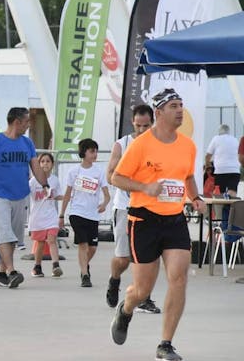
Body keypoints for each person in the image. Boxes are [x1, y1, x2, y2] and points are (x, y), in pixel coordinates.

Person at [110, 89, 205, 361]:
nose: (179, 110)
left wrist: (195, 197)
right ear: (159, 112)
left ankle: (165, 344)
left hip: (174, 220)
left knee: (179, 278)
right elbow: (117, 178)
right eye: (174, 106)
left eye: (181, 105)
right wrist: (145, 187)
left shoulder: (187, 145)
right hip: (143, 220)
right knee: (142, 290)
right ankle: (126, 309)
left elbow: (187, 177)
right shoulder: (140, 145)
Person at [0, 107, 50, 288]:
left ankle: (1, 273)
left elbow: (35, 166)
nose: (28, 125)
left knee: (13, 237)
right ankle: (12, 271)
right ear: (17, 122)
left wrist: (46, 185)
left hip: (21, 195)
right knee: (3, 234)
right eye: (26, 122)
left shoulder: (27, 143)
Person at [105, 104, 160, 312]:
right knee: (123, 259)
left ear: (152, 123)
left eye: (146, 126)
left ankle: (144, 298)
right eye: (138, 126)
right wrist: (134, 182)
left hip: (149, 209)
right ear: (132, 123)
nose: (141, 130)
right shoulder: (122, 144)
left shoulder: (158, 144)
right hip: (124, 207)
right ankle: (114, 279)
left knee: (147, 256)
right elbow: (110, 175)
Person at [58, 139, 110, 287]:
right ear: (84, 152)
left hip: (93, 215)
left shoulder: (99, 172)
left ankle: (84, 266)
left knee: (92, 247)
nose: (95, 154)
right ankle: (85, 275)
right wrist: (62, 214)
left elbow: (107, 195)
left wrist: (104, 204)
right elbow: (67, 194)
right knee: (83, 244)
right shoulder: (74, 172)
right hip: (77, 213)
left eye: (96, 151)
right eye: (91, 151)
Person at [28, 152, 62, 277]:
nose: (45, 164)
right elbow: (26, 193)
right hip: (38, 216)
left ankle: (55, 265)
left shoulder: (54, 180)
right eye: (42, 161)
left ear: (52, 164)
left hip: (51, 215)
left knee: (52, 239)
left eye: (48, 161)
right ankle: (37, 266)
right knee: (40, 242)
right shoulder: (33, 182)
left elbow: (57, 195)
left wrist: (67, 197)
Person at [206, 124, 240, 196]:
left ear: (219, 131)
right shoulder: (235, 139)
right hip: (235, 170)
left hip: (221, 170)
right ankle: (230, 206)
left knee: (220, 193)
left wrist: (207, 166)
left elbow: (208, 155)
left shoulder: (216, 138)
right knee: (232, 191)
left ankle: (221, 206)